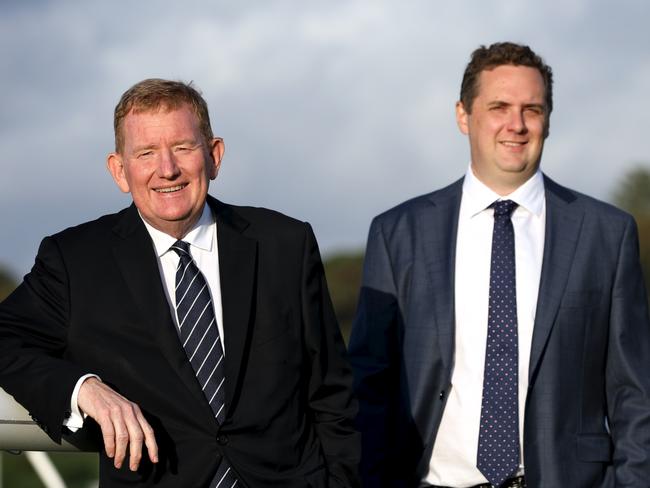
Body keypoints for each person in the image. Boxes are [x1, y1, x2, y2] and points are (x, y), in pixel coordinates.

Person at [0, 79, 359, 487]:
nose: (167, 169)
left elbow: (333, 397)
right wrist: (83, 389)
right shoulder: (76, 261)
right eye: (146, 153)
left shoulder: (286, 245)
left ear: (214, 155)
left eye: (183, 148)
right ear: (120, 170)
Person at [348, 42, 650, 488]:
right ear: (463, 116)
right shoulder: (399, 233)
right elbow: (369, 388)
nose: (517, 124)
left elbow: (634, 394)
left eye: (533, 108)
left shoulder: (606, 234)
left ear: (548, 119)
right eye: (499, 107)